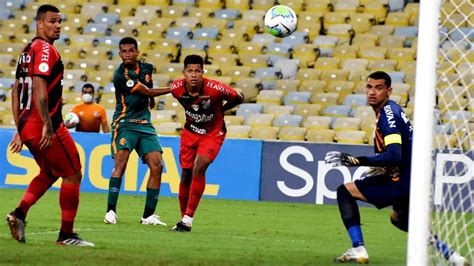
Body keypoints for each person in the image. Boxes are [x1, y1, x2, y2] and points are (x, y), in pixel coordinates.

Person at [325, 71, 467, 265]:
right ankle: (452, 256)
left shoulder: (387, 115)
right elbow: (400, 153)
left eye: (379, 87)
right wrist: (383, 165)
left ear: (389, 91)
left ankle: (358, 247)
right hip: (412, 178)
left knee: (345, 191)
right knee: (400, 219)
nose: (372, 92)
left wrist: (355, 161)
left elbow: (394, 154)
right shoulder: (392, 110)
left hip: (400, 180)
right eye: (369, 87)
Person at [6, 4, 94, 246]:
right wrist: (46, 124)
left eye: (60, 21)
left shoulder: (27, 50)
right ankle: (66, 235)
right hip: (47, 124)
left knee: (49, 172)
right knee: (73, 173)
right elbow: (38, 88)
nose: (58, 26)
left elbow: (16, 91)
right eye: (52, 21)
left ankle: (19, 214)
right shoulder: (45, 50)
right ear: (40, 23)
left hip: (27, 124)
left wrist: (19, 127)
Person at [169, 54, 243, 232]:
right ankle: (183, 219)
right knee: (185, 174)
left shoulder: (216, 88)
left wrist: (222, 109)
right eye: (190, 71)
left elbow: (239, 97)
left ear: (202, 72)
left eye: (197, 71)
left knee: (199, 167)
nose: (193, 74)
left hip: (212, 133)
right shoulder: (176, 89)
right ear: (184, 73)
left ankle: (188, 218)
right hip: (189, 132)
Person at [104, 37, 171, 226]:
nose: (127, 54)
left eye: (130, 50)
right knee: (121, 164)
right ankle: (110, 211)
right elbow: (148, 92)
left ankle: (148, 216)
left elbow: (149, 91)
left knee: (157, 165)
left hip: (144, 125)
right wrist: (173, 88)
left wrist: (150, 102)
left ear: (137, 52)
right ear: (119, 54)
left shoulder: (147, 68)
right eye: (123, 51)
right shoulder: (120, 75)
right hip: (124, 123)